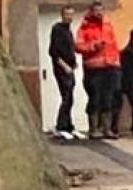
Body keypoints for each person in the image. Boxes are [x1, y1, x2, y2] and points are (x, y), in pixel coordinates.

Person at [76, 2, 121, 139]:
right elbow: (78, 46)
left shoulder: (108, 26)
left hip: (110, 66)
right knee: (95, 98)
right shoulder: (85, 27)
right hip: (93, 68)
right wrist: (93, 46)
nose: (99, 13)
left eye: (101, 10)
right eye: (96, 10)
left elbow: (113, 44)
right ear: (91, 11)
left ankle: (106, 128)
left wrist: (116, 62)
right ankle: (93, 128)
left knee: (108, 99)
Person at [49, 6, 80, 140]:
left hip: (70, 68)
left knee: (70, 98)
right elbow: (53, 51)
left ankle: (68, 125)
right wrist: (64, 65)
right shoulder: (57, 29)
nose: (70, 17)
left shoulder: (69, 31)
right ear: (62, 15)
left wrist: (74, 63)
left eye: (72, 14)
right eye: (67, 14)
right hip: (62, 69)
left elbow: (69, 49)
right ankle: (60, 126)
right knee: (66, 96)